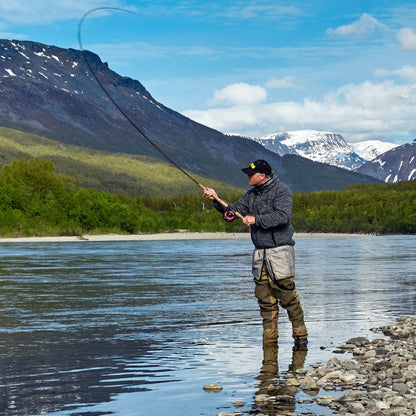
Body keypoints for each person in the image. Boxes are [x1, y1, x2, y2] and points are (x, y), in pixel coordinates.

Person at [203, 159, 308, 348]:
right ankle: (270, 346)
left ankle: (301, 339)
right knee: (264, 301)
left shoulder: (282, 190)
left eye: (251, 174)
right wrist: (216, 199)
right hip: (260, 255)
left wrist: (255, 219)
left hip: (280, 252)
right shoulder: (252, 194)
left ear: (262, 175)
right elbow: (233, 212)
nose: (247, 177)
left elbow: (283, 216)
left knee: (288, 298)